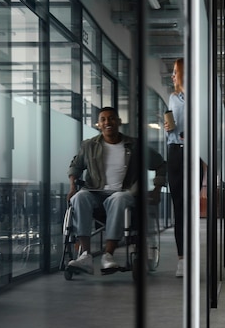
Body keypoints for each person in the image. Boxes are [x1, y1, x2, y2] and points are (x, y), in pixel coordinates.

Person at [66, 107, 166, 274]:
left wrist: (156, 189)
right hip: (94, 192)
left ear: (119, 122)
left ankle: (108, 255)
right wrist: (72, 187)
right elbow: (75, 167)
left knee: (118, 198)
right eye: (103, 119)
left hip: (124, 193)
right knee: (79, 198)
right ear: (99, 124)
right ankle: (85, 256)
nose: (107, 122)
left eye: (111, 118)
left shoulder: (135, 146)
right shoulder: (89, 145)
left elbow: (161, 164)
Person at [164, 58, 207, 278]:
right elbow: (171, 131)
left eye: (175, 72)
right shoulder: (172, 98)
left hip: (195, 154)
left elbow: (207, 128)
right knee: (179, 207)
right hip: (175, 153)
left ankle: (192, 255)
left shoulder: (200, 98)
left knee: (191, 208)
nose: (172, 76)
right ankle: (182, 259)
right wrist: (167, 129)